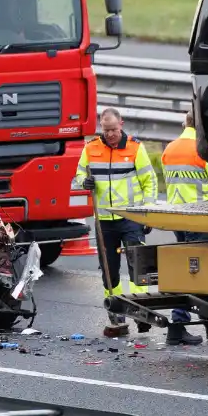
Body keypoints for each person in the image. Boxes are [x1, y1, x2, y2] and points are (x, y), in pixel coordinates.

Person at [72, 108, 157, 338]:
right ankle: (117, 310)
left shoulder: (135, 148)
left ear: (121, 124)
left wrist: (147, 213)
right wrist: (84, 182)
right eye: (106, 130)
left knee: (137, 265)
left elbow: (150, 180)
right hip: (105, 220)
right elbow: (78, 176)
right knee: (109, 269)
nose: (110, 134)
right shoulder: (91, 149)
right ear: (102, 127)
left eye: (113, 129)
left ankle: (141, 310)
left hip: (131, 217)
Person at [160, 108, 208, 345]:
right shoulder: (203, 150)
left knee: (190, 271)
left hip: (178, 217)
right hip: (199, 216)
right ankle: (180, 325)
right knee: (197, 274)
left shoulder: (169, 148)